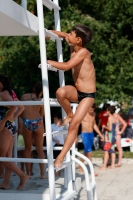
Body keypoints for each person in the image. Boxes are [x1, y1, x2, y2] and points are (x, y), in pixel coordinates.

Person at [47, 24, 96, 168]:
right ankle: (69, 114)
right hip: (77, 91)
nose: (69, 35)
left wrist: (48, 62)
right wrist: (47, 33)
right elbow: (62, 35)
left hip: (87, 95)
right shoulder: (74, 44)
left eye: (71, 34)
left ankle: (60, 157)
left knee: (74, 125)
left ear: (79, 40)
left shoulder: (83, 52)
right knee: (60, 92)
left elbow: (67, 66)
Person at [0, 74, 29, 190]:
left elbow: (13, 107)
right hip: (10, 126)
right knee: (8, 156)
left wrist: (3, 121)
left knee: (2, 157)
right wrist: (12, 119)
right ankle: (5, 183)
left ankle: (22, 175)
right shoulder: (11, 92)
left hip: (5, 127)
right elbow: (21, 107)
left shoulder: (3, 93)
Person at [20, 81, 46, 178]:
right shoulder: (41, 100)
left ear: (34, 88)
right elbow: (42, 115)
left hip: (26, 121)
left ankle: (28, 173)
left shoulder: (24, 96)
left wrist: (23, 119)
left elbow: (21, 110)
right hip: (38, 122)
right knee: (40, 149)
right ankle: (42, 174)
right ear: (42, 91)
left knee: (27, 149)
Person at [78, 103, 104, 176]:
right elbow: (76, 124)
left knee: (86, 152)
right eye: (90, 109)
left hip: (91, 134)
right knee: (89, 152)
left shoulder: (93, 114)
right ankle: (92, 171)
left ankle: (80, 166)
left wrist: (100, 134)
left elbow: (94, 124)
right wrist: (74, 136)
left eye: (93, 109)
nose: (92, 111)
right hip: (84, 134)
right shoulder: (83, 113)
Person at [100, 105, 118, 170]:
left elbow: (110, 129)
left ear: (109, 111)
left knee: (106, 151)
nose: (106, 111)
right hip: (113, 136)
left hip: (109, 137)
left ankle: (104, 166)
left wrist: (104, 127)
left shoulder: (110, 118)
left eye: (107, 110)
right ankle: (112, 165)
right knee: (112, 151)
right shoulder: (114, 118)